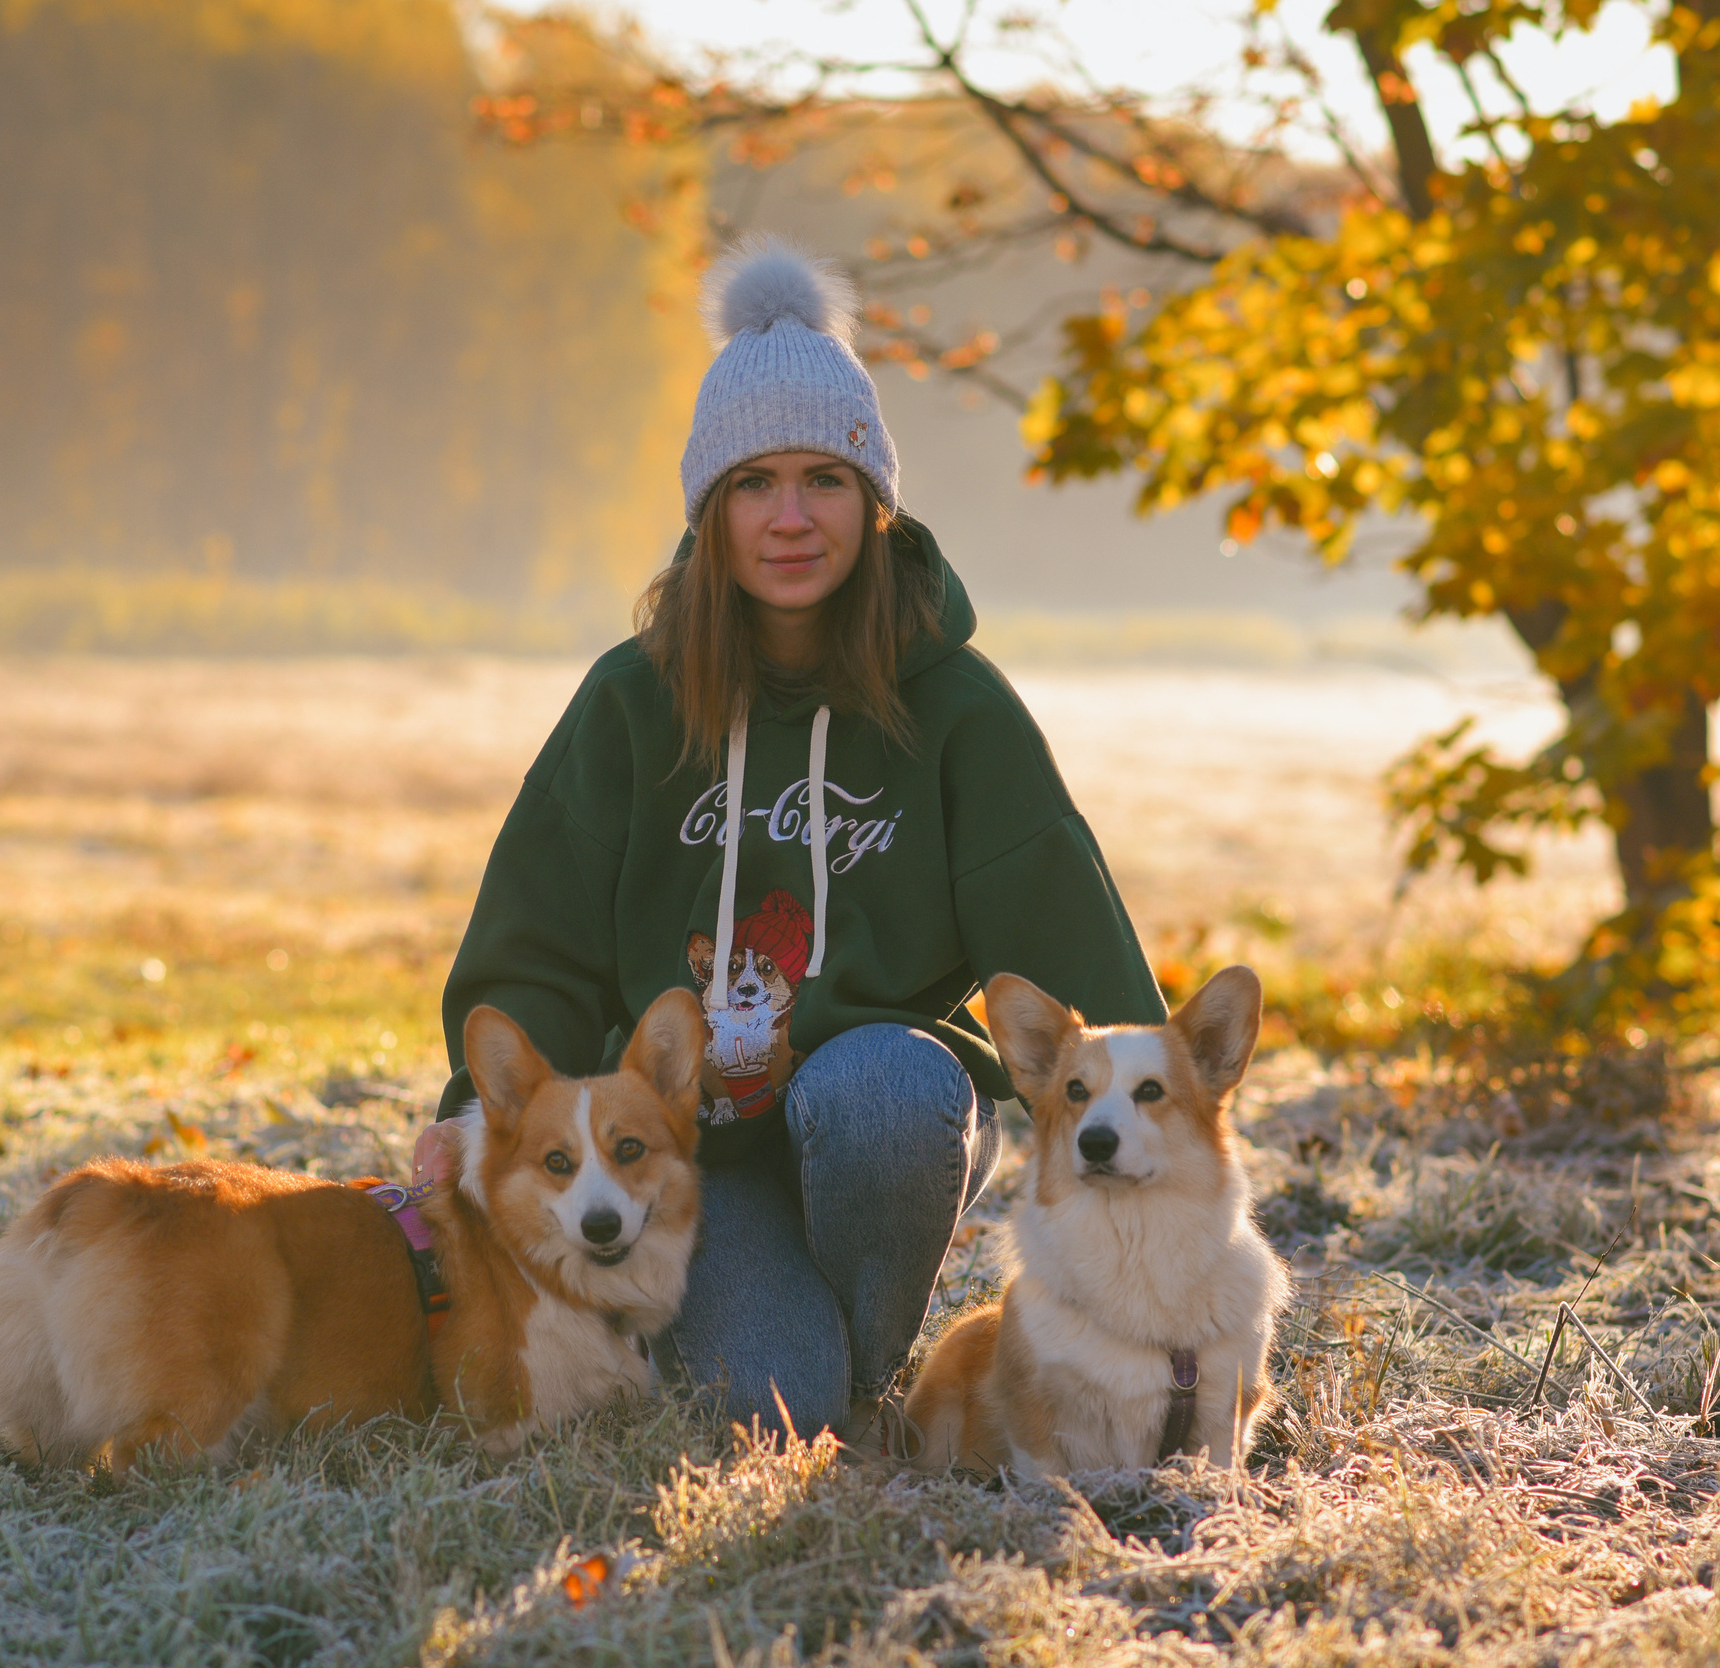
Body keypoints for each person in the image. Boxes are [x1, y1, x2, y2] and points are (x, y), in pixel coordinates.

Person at [412, 236, 1164, 1448]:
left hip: (876, 1127)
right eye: (754, 483)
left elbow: (1076, 959)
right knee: (770, 1407)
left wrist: (1159, 1161)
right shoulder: (630, 703)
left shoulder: (956, 709)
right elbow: (531, 948)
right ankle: (808, 1368)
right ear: (711, 511)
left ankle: (870, 1361)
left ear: (873, 502)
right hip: (675, 1159)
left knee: (883, 1084)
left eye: (824, 478)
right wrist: (471, 1114)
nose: (791, 516)